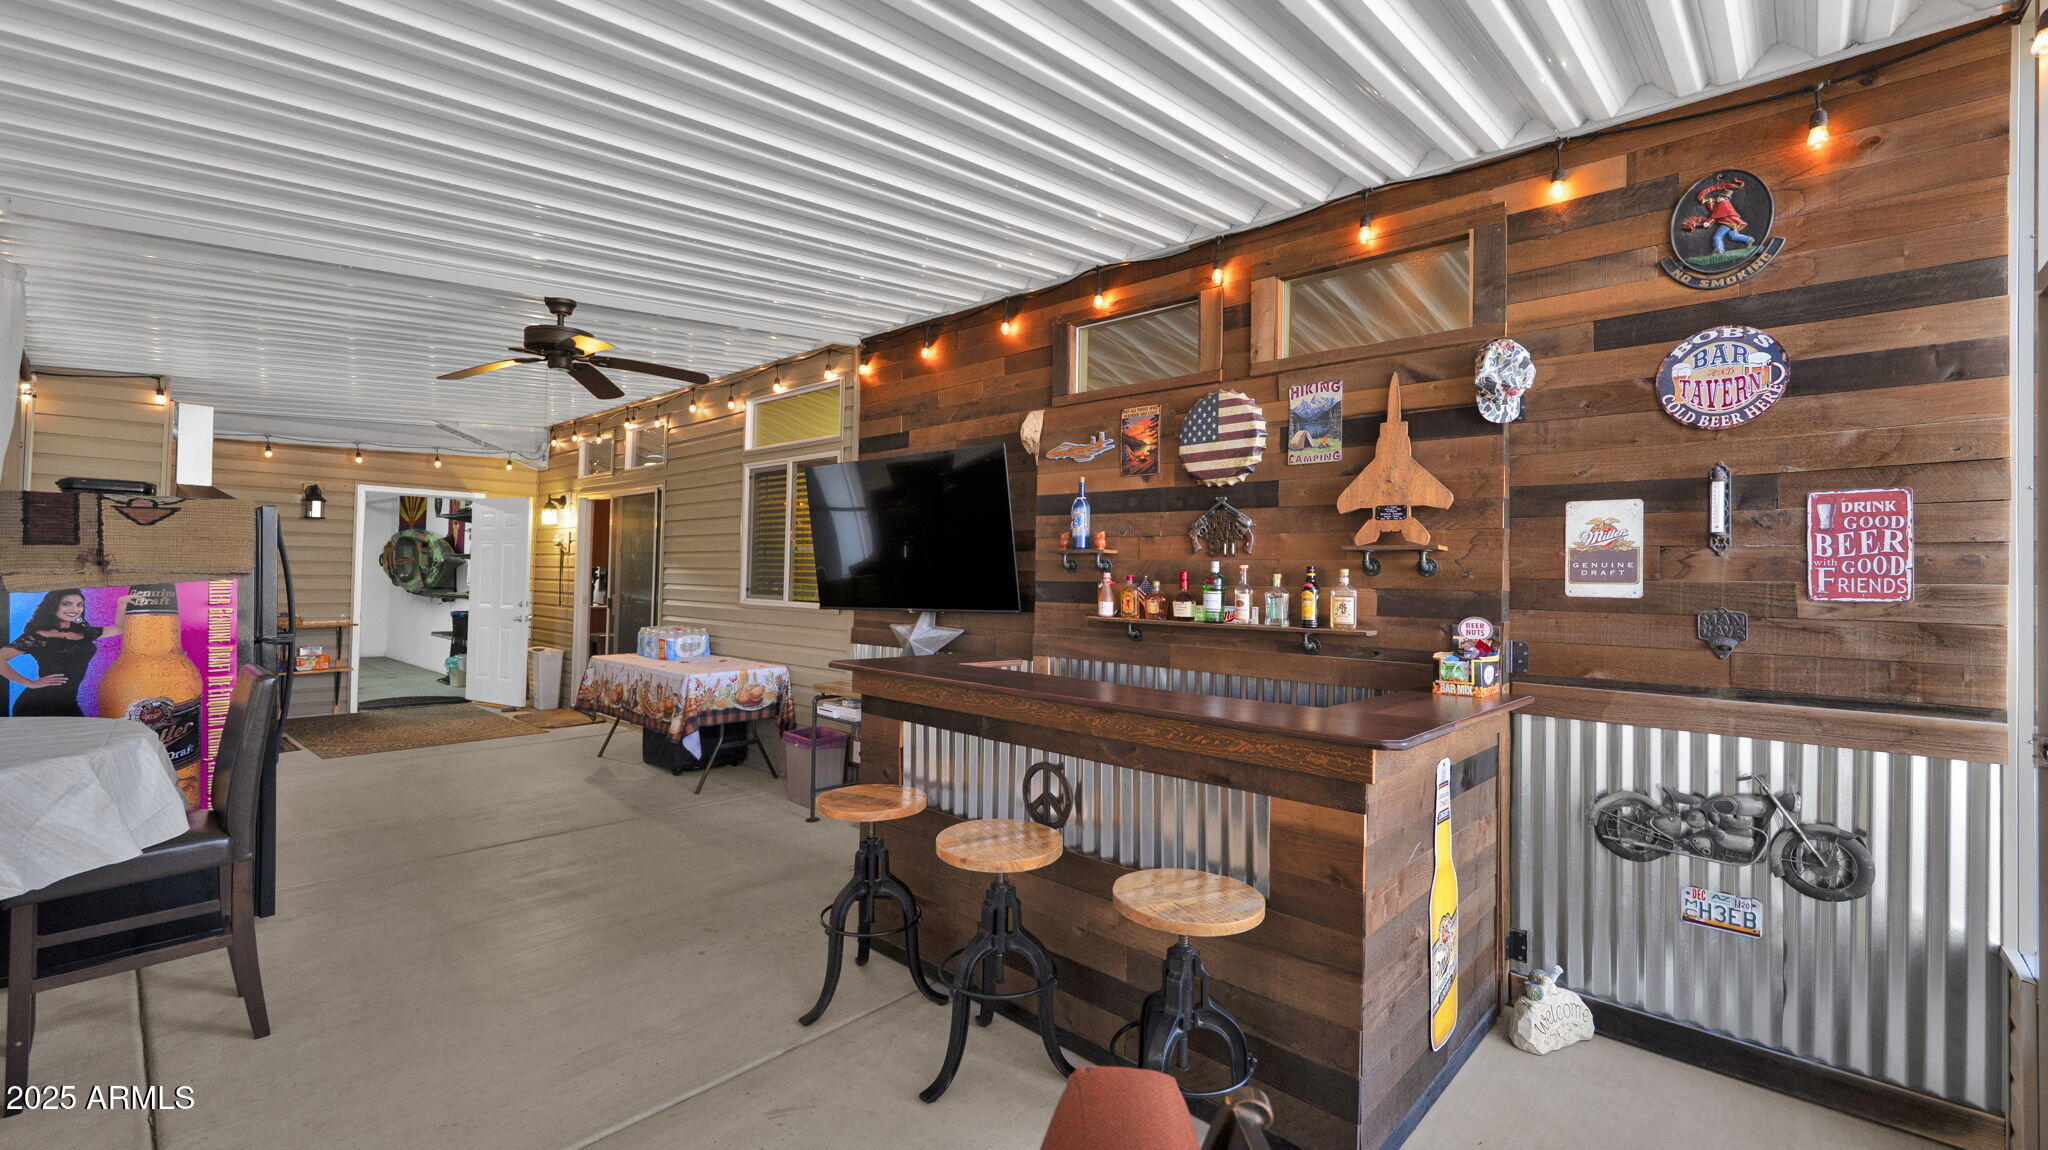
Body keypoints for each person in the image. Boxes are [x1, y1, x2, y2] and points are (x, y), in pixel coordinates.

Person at [1, 588, 130, 717]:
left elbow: (119, 628)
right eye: (67, 604)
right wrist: (30, 683)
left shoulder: (85, 633)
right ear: (53, 606)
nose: (74, 609)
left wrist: (122, 603)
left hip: (68, 704)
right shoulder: (37, 636)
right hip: (36, 705)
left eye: (79, 605)